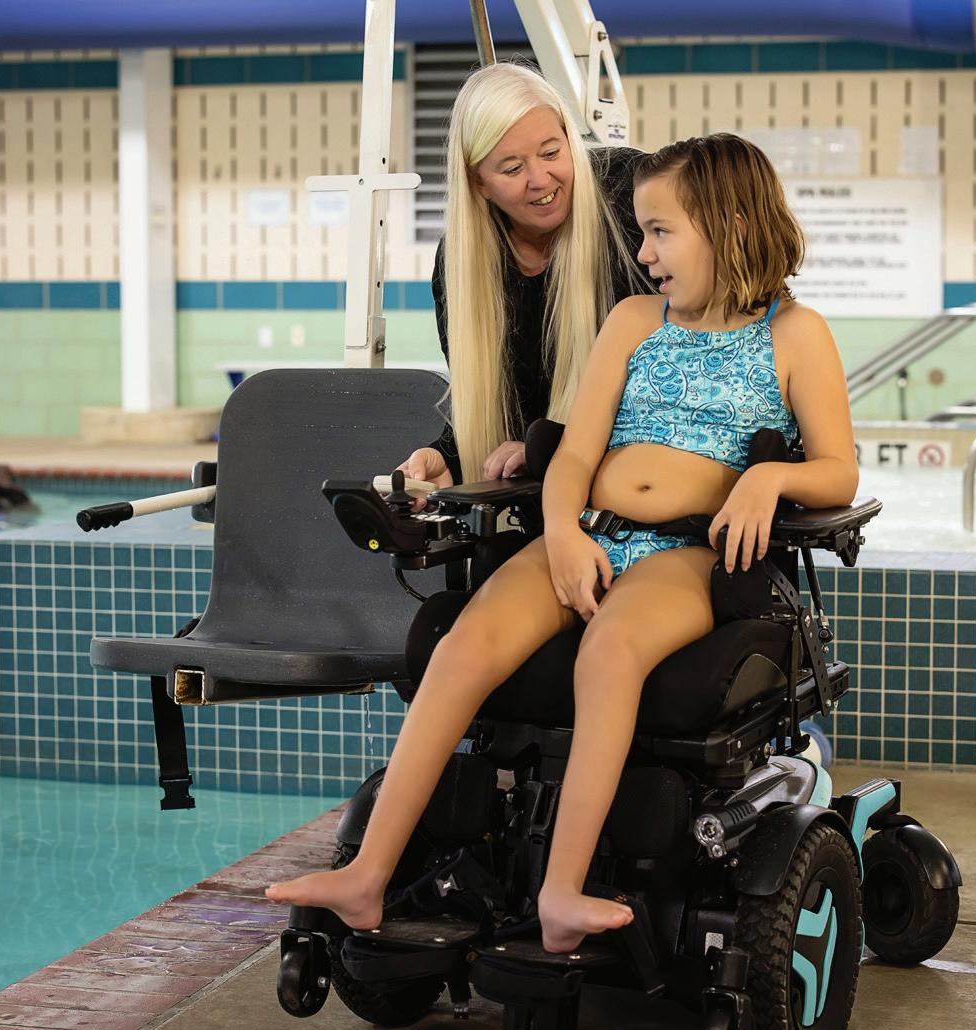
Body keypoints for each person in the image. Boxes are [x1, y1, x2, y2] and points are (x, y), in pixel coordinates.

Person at [268, 133, 858, 955]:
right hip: (585, 533)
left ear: (728, 225)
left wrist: (768, 478)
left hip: (688, 554)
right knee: (464, 643)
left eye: (660, 232)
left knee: (608, 651)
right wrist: (563, 537)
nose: (643, 254)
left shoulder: (795, 334)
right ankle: (367, 875)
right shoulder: (632, 322)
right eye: (643, 233)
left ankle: (561, 891)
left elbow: (837, 471)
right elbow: (574, 457)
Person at [399, 61, 649, 489]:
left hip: (636, 488)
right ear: (478, 183)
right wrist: (447, 460)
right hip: (545, 495)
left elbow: (679, 393)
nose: (540, 179)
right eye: (512, 169)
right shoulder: (461, 263)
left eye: (551, 153)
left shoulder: (632, 197)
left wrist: (550, 449)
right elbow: (499, 410)